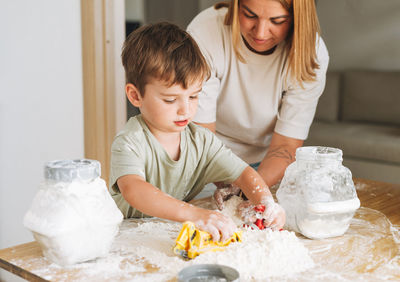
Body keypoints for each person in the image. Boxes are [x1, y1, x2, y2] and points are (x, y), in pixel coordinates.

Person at [109, 22, 285, 242]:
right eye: (170, 99)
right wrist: (195, 214)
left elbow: (243, 173)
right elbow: (134, 190)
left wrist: (266, 203)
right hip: (127, 237)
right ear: (135, 96)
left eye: (193, 96)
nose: (186, 109)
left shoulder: (201, 142)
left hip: (170, 232)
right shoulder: (130, 142)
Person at [187, 0, 329, 207]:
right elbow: (202, 138)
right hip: (204, 161)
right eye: (250, 15)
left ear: (297, 19)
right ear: (236, 5)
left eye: (277, 21)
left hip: (267, 165)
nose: (261, 33)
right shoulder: (206, 32)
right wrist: (237, 183)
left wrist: (250, 187)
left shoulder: (311, 55)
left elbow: (286, 146)